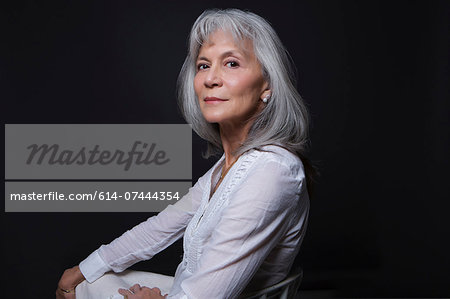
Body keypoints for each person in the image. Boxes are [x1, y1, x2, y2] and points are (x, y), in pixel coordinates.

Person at [56, 8, 312, 299]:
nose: (211, 79)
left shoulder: (272, 171)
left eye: (231, 63)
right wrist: (82, 269)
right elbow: (157, 230)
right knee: (87, 282)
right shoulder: (228, 168)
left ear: (267, 85)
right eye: (204, 65)